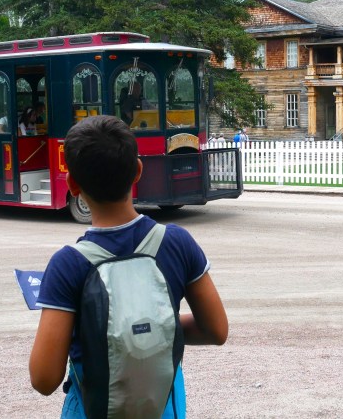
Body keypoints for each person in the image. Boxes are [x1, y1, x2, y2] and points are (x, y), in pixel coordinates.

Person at [30, 115, 228, 417]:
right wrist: (154, 328)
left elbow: (44, 379)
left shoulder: (67, 264)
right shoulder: (176, 243)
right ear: (138, 171)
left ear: (72, 184)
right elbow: (216, 330)